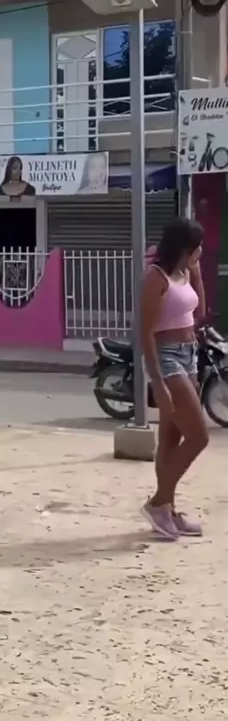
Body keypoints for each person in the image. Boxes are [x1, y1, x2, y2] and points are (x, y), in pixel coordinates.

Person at [141, 217, 208, 540]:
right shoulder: (156, 277)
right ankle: (158, 503)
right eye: (197, 246)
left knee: (171, 437)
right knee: (199, 436)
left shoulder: (185, 272)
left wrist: (196, 272)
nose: (201, 251)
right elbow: (144, 333)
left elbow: (199, 313)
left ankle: (167, 508)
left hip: (188, 354)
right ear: (185, 247)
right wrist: (157, 381)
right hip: (167, 358)